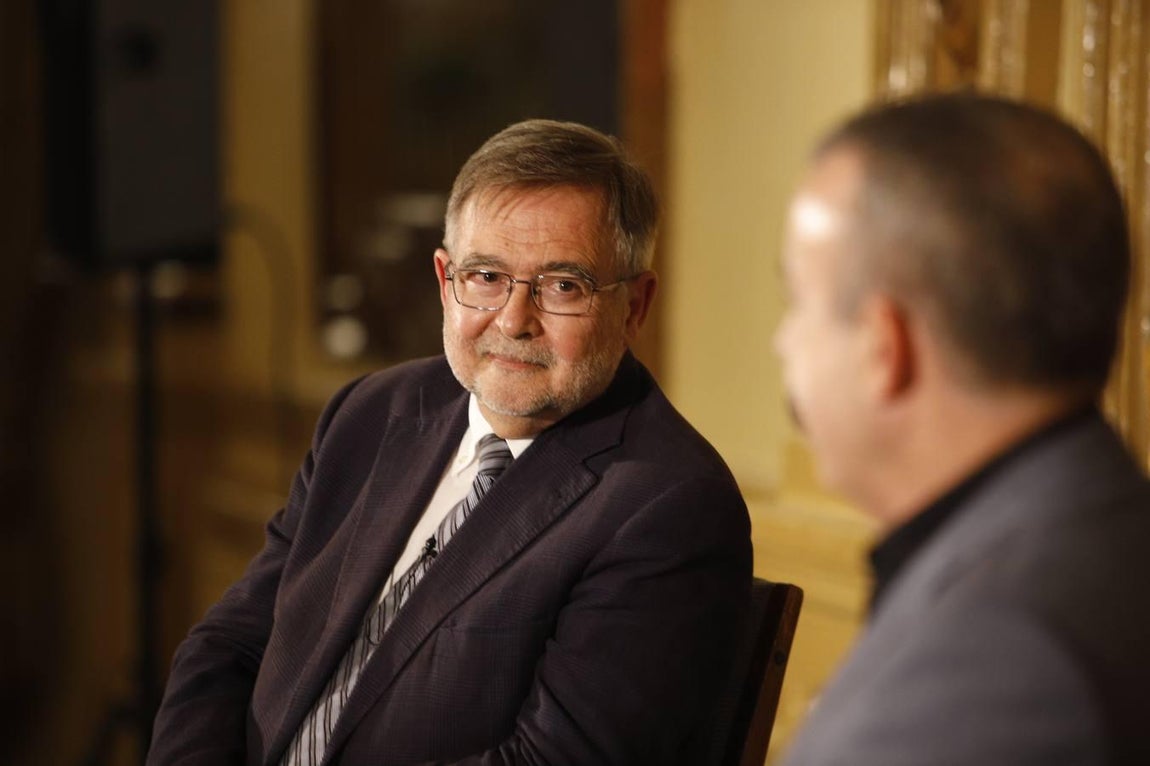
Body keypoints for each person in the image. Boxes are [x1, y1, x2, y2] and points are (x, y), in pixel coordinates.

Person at [147, 120, 751, 765]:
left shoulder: (668, 506)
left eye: (563, 286)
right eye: (487, 276)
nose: (514, 321)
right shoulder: (369, 414)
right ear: (444, 280)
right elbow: (233, 644)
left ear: (634, 305)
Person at [775, 92, 1150, 765]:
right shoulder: (1097, 519)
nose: (783, 343)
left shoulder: (999, 656)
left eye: (799, 303)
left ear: (883, 348)